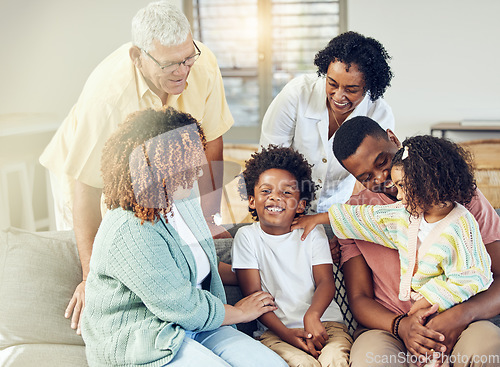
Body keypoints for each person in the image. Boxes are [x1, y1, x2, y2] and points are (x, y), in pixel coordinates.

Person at [39, 1, 234, 335]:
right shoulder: (107, 100)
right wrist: (90, 276)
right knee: (112, 257)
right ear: (137, 56)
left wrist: (211, 219)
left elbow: (212, 140)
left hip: (158, 171)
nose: (183, 71)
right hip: (88, 174)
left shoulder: (202, 62)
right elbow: (86, 188)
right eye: (171, 64)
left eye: (188, 58)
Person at [80, 107, 288, 367]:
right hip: (146, 336)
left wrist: (255, 274)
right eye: (189, 165)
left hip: (198, 323)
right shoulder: (130, 228)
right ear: (161, 170)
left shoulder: (183, 198)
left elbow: (199, 265)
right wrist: (240, 312)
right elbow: (180, 304)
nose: (199, 172)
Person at [294, 116, 500, 367]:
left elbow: (494, 275)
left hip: (458, 317)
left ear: (393, 139)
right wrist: (401, 326)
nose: (382, 177)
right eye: (366, 176)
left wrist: (459, 315)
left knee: (486, 349)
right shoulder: (359, 214)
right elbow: (359, 299)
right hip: (388, 328)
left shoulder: (458, 195)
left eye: (383, 162)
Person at [231, 145, 352, 367]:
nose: (275, 198)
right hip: (275, 331)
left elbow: (326, 282)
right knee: (301, 363)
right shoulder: (247, 237)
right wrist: (286, 333)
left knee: (335, 359)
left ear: (301, 205)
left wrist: (312, 316)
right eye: (266, 191)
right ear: (251, 200)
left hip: (325, 324)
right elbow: (254, 296)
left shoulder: (313, 233)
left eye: (286, 192)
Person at [260, 31, 394, 214]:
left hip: (338, 210)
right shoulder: (297, 94)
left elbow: (374, 179)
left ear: (368, 87)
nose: (338, 96)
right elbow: (269, 161)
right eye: (332, 83)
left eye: (351, 89)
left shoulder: (378, 113)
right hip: (286, 204)